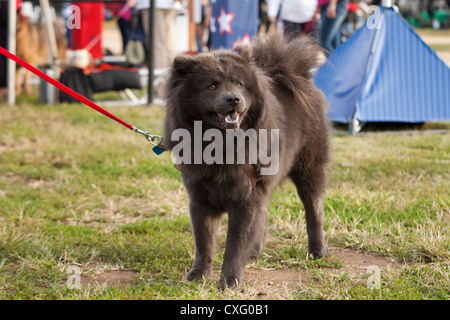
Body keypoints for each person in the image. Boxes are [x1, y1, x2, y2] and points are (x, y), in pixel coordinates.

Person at [128, 0, 181, 69]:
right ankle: (170, 74)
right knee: (166, 43)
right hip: (168, 5)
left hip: (154, 5)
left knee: (156, 43)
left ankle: (160, 74)